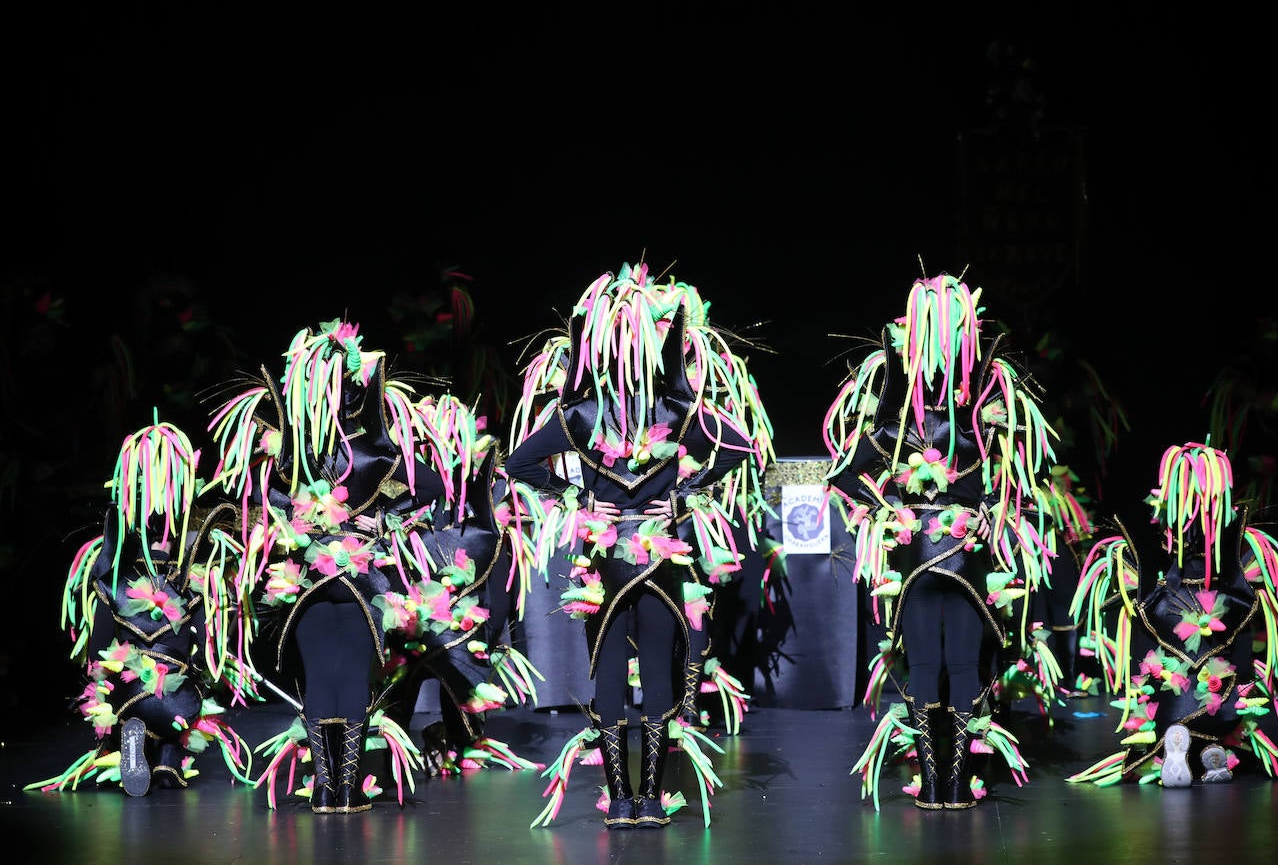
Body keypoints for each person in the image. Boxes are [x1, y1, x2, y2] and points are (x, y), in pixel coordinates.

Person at [202, 319, 541, 812]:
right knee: (354, 679)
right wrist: (389, 514)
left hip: (305, 582)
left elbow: (257, 502)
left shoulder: (284, 451)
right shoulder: (374, 449)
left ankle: (324, 789)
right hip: (364, 582)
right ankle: (349, 786)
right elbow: (437, 488)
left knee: (320, 679)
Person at [506, 262, 767, 829]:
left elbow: (520, 462)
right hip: (649, 555)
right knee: (649, 670)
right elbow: (739, 446)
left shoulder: (583, 410)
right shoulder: (675, 408)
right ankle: (642, 797)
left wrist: (577, 498)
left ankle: (626, 800)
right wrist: (678, 493)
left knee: (616, 670)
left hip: (613, 559)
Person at [824, 268, 1061, 810]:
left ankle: (936, 785)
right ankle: (952, 783)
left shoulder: (897, 418)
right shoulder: (987, 412)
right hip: (965, 556)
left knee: (930, 663)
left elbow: (843, 478)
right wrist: (993, 513)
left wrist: (883, 517)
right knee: (956, 663)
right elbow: (1025, 480)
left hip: (919, 556)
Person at [25, 417, 255, 796]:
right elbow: (206, 645)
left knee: (122, 680)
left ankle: (132, 740)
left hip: (125, 696)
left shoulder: (111, 581)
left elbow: (96, 650)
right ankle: (167, 759)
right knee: (183, 688)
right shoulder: (195, 582)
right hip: (176, 698)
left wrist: (100, 676)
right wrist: (198, 664)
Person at [1067, 440, 1278, 787]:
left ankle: (1182, 743)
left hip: (1174, 598)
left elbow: (1164, 551)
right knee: (1222, 680)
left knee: (1168, 669)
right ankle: (1210, 750)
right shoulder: (1222, 515)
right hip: (1219, 596)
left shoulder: (1172, 511)